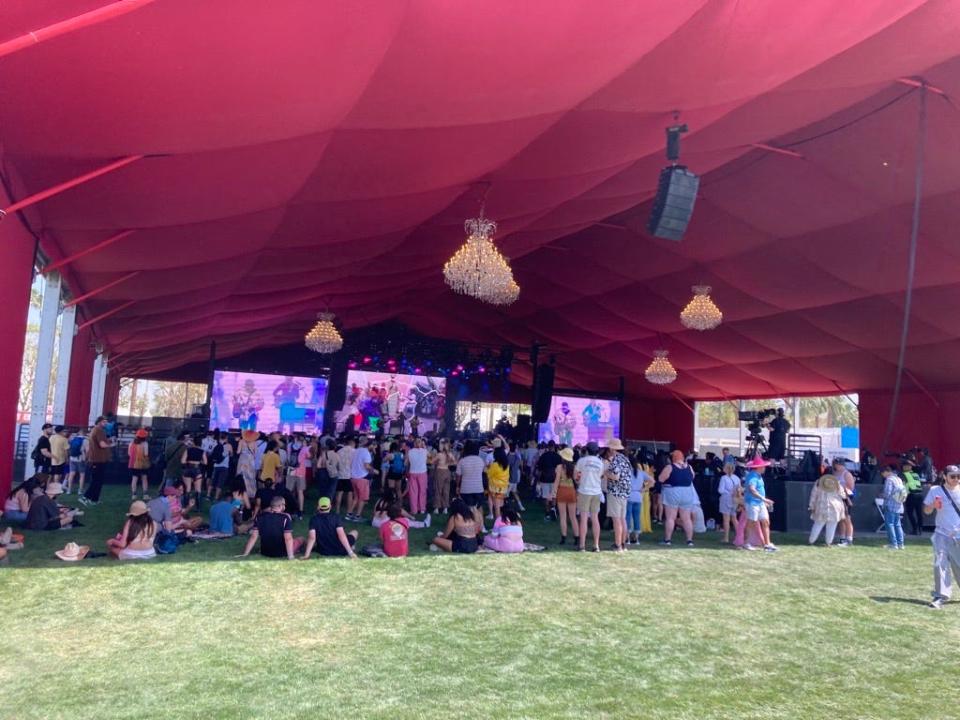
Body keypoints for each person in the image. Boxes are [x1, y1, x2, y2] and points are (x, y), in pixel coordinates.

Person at [924, 465, 960, 609]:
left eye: (958, 476)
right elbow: (926, 511)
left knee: (958, 566)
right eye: (952, 476)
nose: (956, 479)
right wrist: (933, 505)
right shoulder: (935, 491)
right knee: (940, 564)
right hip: (941, 534)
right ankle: (941, 596)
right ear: (944, 476)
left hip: (958, 535)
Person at [658, 449, 697, 547]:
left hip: (673, 492)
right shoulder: (689, 467)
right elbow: (692, 477)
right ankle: (689, 540)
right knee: (687, 518)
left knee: (671, 518)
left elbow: (661, 479)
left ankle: (667, 540)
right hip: (687, 492)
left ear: (673, 458)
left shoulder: (670, 467)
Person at [603, 439, 633, 553]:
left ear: (611, 448)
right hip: (624, 492)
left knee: (616, 520)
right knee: (622, 519)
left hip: (615, 492)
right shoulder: (625, 459)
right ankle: (623, 544)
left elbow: (615, 476)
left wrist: (606, 472)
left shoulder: (615, 460)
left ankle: (618, 545)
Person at [742, 455, 777, 552]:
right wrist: (764, 499)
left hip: (760, 503)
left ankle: (767, 544)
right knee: (751, 523)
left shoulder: (758, 476)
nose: (765, 468)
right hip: (752, 503)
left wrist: (763, 501)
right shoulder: (752, 476)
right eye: (763, 466)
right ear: (758, 467)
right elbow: (752, 489)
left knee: (765, 522)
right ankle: (746, 543)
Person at [574, 442, 604, 552]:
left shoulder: (581, 461)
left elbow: (575, 476)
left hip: (584, 491)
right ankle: (596, 545)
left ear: (586, 450)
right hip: (596, 491)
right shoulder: (600, 462)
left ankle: (582, 545)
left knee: (583, 518)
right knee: (595, 518)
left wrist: (579, 481)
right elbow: (600, 476)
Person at [81, 416, 114, 505]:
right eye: (104, 422)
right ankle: (85, 497)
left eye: (106, 422)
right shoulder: (98, 430)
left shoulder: (97, 430)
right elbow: (102, 445)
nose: (106, 424)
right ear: (99, 422)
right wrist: (111, 445)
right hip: (97, 460)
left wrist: (108, 441)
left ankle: (94, 499)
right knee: (96, 480)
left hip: (98, 460)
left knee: (98, 480)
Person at [808, 474, 846, 546]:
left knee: (818, 524)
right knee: (832, 525)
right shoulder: (836, 482)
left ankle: (811, 541)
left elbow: (813, 495)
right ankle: (828, 542)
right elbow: (843, 495)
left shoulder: (818, 483)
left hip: (821, 506)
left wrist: (811, 506)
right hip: (835, 507)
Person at [454, 441, 486, 528]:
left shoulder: (462, 461)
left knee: (467, 508)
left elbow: (458, 475)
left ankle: (468, 525)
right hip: (479, 488)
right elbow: (484, 472)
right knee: (479, 507)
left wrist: (457, 486)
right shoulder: (480, 460)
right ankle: (482, 526)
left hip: (465, 488)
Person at [552, 448, 579, 545]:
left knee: (563, 516)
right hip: (571, 491)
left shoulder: (559, 467)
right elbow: (577, 480)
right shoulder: (574, 467)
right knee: (573, 516)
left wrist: (553, 493)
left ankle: (563, 537)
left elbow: (556, 481)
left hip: (562, 490)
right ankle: (577, 537)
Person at [879, 464, 907, 550]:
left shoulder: (889, 479)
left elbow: (887, 493)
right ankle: (900, 544)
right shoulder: (898, 479)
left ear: (886, 472)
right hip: (898, 505)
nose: (882, 476)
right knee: (897, 525)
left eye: (882, 474)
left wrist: (881, 495)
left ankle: (893, 544)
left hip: (890, 504)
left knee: (890, 524)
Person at [627, 456, 653, 545]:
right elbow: (652, 481)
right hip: (638, 496)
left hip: (629, 496)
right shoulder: (641, 473)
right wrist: (644, 489)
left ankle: (627, 538)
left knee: (628, 516)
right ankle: (636, 539)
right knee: (636, 517)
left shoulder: (627, 472)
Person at [348, 437, 374, 521]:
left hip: (354, 477)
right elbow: (366, 466)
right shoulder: (366, 453)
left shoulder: (356, 450)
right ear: (370, 445)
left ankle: (349, 514)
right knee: (362, 498)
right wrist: (374, 470)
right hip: (362, 477)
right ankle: (358, 516)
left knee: (356, 497)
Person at [832, 458, 856, 546]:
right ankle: (842, 539)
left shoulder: (847, 474)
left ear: (840, 464)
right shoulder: (835, 473)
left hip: (846, 498)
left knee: (847, 519)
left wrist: (841, 487)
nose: (834, 466)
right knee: (841, 519)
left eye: (835, 464)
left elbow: (851, 488)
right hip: (836, 498)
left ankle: (849, 539)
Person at [536, 442, 562, 520]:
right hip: (555, 478)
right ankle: (553, 508)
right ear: (554, 447)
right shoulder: (558, 456)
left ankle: (547, 513)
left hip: (545, 478)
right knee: (554, 496)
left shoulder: (543, 456)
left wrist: (538, 480)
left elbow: (539, 469)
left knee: (546, 496)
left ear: (548, 447)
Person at [717, 462, 741, 544]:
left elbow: (720, 490)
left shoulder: (723, 478)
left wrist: (728, 492)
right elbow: (739, 490)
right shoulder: (737, 478)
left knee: (726, 519)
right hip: (735, 499)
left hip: (726, 498)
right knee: (734, 518)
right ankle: (739, 537)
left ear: (726, 469)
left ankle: (726, 538)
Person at [486, 446, 511, 523]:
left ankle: (497, 526)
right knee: (501, 506)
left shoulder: (495, 465)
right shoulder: (506, 464)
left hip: (495, 488)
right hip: (503, 488)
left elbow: (488, 474)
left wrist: (487, 467)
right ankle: (503, 523)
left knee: (497, 508)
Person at [901, 458, 925, 536]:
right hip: (920, 494)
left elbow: (905, 486)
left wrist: (903, 497)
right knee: (919, 513)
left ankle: (915, 529)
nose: (904, 468)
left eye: (905, 466)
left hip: (911, 495)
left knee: (910, 513)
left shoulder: (904, 475)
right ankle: (920, 529)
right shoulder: (916, 474)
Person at [406, 438, 429, 515]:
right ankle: (422, 508)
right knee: (422, 491)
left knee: (413, 492)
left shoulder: (410, 451)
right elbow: (431, 457)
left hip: (413, 472)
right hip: (422, 472)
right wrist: (424, 447)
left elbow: (406, 462)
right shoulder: (425, 451)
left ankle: (414, 510)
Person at [432, 439, 456, 515]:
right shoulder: (450, 454)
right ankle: (445, 508)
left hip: (440, 471)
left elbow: (431, 461)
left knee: (438, 490)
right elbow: (454, 462)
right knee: (446, 490)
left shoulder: (439, 454)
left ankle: (437, 508)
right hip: (447, 472)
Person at [128, 429, 151, 500]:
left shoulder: (131, 443)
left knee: (134, 479)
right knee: (144, 478)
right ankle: (145, 495)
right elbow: (146, 454)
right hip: (142, 464)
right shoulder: (145, 443)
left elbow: (129, 453)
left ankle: (134, 495)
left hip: (133, 464)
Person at [335, 437, 356, 516]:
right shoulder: (354, 451)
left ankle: (337, 510)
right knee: (350, 493)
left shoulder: (339, 451)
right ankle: (348, 510)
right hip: (349, 475)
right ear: (353, 444)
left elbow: (336, 463)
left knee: (339, 493)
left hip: (340, 474)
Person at [65, 429, 87, 495]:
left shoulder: (73, 439)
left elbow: (69, 448)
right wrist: (86, 458)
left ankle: (69, 490)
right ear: (84, 433)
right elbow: (87, 450)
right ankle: (80, 491)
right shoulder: (85, 440)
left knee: (71, 474)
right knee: (82, 475)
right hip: (80, 459)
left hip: (72, 458)